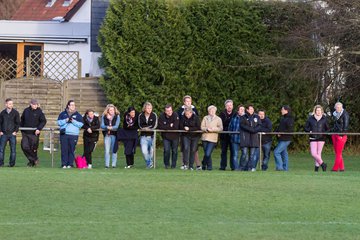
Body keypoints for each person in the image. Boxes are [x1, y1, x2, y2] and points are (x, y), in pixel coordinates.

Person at [57, 100, 84, 168]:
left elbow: (81, 125)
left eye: (74, 105)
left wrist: (73, 121)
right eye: (71, 105)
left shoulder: (78, 115)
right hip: (64, 134)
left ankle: (70, 164)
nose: (73, 106)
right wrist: (65, 120)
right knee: (64, 149)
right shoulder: (63, 114)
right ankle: (64, 164)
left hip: (73, 135)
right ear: (68, 106)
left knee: (71, 150)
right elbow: (59, 122)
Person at [20, 99, 47, 167]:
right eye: (34, 104)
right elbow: (22, 120)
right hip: (25, 133)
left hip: (34, 134)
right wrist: (21, 129)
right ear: (31, 104)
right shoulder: (26, 110)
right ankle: (34, 159)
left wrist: (39, 129)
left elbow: (43, 121)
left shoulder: (39, 111)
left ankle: (31, 163)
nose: (35, 106)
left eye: (36, 104)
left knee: (33, 149)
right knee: (24, 147)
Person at [177, 95, 201, 169]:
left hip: (194, 135)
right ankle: (184, 164)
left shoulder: (195, 111)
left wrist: (189, 129)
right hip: (185, 135)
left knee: (194, 150)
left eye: (189, 101)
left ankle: (195, 165)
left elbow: (197, 125)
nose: (188, 102)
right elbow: (180, 123)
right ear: (184, 102)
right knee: (185, 148)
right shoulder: (180, 111)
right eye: (186, 101)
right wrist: (184, 128)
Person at [304, 105, 329, 172]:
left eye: (320, 110)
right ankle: (323, 164)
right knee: (313, 153)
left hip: (321, 138)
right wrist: (309, 131)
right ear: (315, 111)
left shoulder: (324, 119)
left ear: (322, 111)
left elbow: (328, 129)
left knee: (318, 153)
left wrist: (324, 133)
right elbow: (306, 128)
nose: (318, 112)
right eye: (317, 110)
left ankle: (316, 169)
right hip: (313, 137)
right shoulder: (310, 118)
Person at [239, 104, 261, 171]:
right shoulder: (243, 117)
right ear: (247, 110)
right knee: (244, 154)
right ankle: (242, 167)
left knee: (252, 155)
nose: (251, 110)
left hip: (254, 138)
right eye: (250, 109)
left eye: (252, 109)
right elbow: (242, 125)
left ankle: (249, 167)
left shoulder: (257, 117)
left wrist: (254, 130)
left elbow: (259, 125)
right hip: (245, 138)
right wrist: (250, 129)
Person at [201, 105, 223, 171]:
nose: (212, 111)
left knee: (208, 153)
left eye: (213, 110)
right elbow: (202, 127)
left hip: (213, 139)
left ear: (215, 111)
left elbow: (220, 128)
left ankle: (204, 163)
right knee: (207, 154)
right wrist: (207, 129)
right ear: (208, 111)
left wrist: (214, 129)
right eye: (211, 110)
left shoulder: (218, 119)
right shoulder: (205, 118)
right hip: (205, 138)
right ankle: (209, 167)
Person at [158, 104, 180, 169]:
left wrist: (167, 127)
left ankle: (173, 165)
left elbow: (176, 127)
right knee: (166, 150)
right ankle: (166, 164)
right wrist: (170, 125)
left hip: (175, 136)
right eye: (168, 111)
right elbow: (160, 127)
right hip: (166, 137)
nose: (169, 112)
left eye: (170, 110)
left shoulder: (175, 115)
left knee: (175, 151)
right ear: (165, 111)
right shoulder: (162, 116)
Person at [0, 98, 20, 167]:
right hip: (4, 134)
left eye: (12, 104)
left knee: (13, 150)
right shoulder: (2, 113)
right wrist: (0, 131)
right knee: (1, 150)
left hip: (12, 134)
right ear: (6, 104)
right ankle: (1, 163)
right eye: (9, 104)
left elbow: (18, 123)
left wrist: (15, 131)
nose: (11, 105)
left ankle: (11, 164)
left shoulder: (15, 113)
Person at [273, 105, 294, 171]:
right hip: (282, 139)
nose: (281, 111)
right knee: (284, 154)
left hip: (286, 139)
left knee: (276, 152)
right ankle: (285, 169)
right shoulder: (283, 118)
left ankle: (280, 167)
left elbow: (290, 130)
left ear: (286, 110)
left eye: (282, 109)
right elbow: (280, 128)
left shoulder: (290, 119)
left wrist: (281, 133)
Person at [138, 102, 158, 168]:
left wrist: (148, 128)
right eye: (148, 108)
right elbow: (140, 125)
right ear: (145, 108)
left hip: (152, 136)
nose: (149, 109)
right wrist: (145, 128)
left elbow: (154, 125)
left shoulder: (154, 115)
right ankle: (149, 163)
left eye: (150, 108)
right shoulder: (141, 115)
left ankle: (150, 164)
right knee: (144, 151)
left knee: (152, 152)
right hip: (143, 136)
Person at [331, 102, 349, 172]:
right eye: (337, 107)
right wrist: (331, 132)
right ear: (335, 108)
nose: (338, 108)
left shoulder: (345, 114)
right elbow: (334, 125)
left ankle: (335, 168)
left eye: (339, 107)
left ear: (342, 107)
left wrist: (341, 135)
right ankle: (342, 168)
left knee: (338, 153)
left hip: (341, 136)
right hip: (334, 135)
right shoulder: (334, 114)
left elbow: (346, 127)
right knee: (337, 153)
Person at [101, 104, 120, 168]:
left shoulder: (117, 116)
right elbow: (102, 125)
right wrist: (107, 127)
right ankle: (107, 165)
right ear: (108, 110)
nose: (112, 111)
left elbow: (116, 126)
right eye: (110, 110)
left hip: (114, 135)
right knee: (107, 150)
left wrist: (111, 128)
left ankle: (113, 165)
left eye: (113, 110)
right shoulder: (104, 116)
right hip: (107, 135)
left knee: (114, 150)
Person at [219, 99, 235, 170]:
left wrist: (228, 121)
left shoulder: (235, 114)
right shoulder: (222, 114)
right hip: (224, 136)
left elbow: (234, 124)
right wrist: (229, 121)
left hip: (232, 136)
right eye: (228, 105)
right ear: (225, 107)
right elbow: (222, 123)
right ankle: (223, 166)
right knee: (223, 152)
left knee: (233, 152)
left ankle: (233, 166)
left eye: (230, 105)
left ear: (232, 106)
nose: (229, 107)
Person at [228, 105, 245, 171]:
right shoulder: (234, 119)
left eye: (243, 109)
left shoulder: (247, 119)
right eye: (241, 109)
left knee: (244, 154)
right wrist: (232, 135)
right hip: (235, 139)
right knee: (235, 154)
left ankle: (241, 167)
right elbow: (230, 128)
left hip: (244, 140)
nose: (242, 111)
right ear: (238, 111)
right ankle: (236, 168)